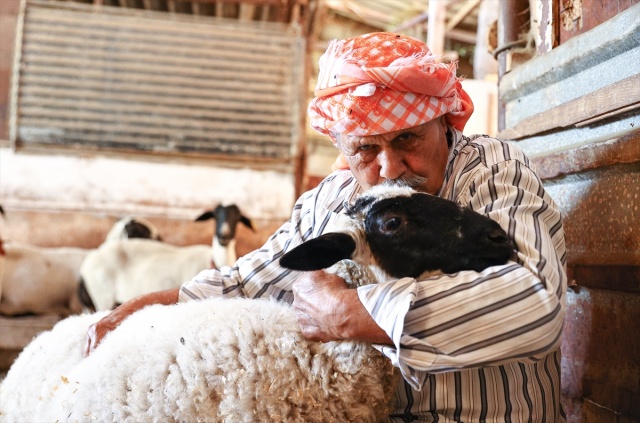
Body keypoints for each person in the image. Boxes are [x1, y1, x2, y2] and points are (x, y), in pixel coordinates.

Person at [85, 32, 567, 422]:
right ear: (342, 145)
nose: (391, 167)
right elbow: (246, 282)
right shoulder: (332, 201)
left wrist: (352, 312)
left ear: (443, 121)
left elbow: (535, 304)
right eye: (365, 150)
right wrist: (141, 310)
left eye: (407, 138)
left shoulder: (493, 172)